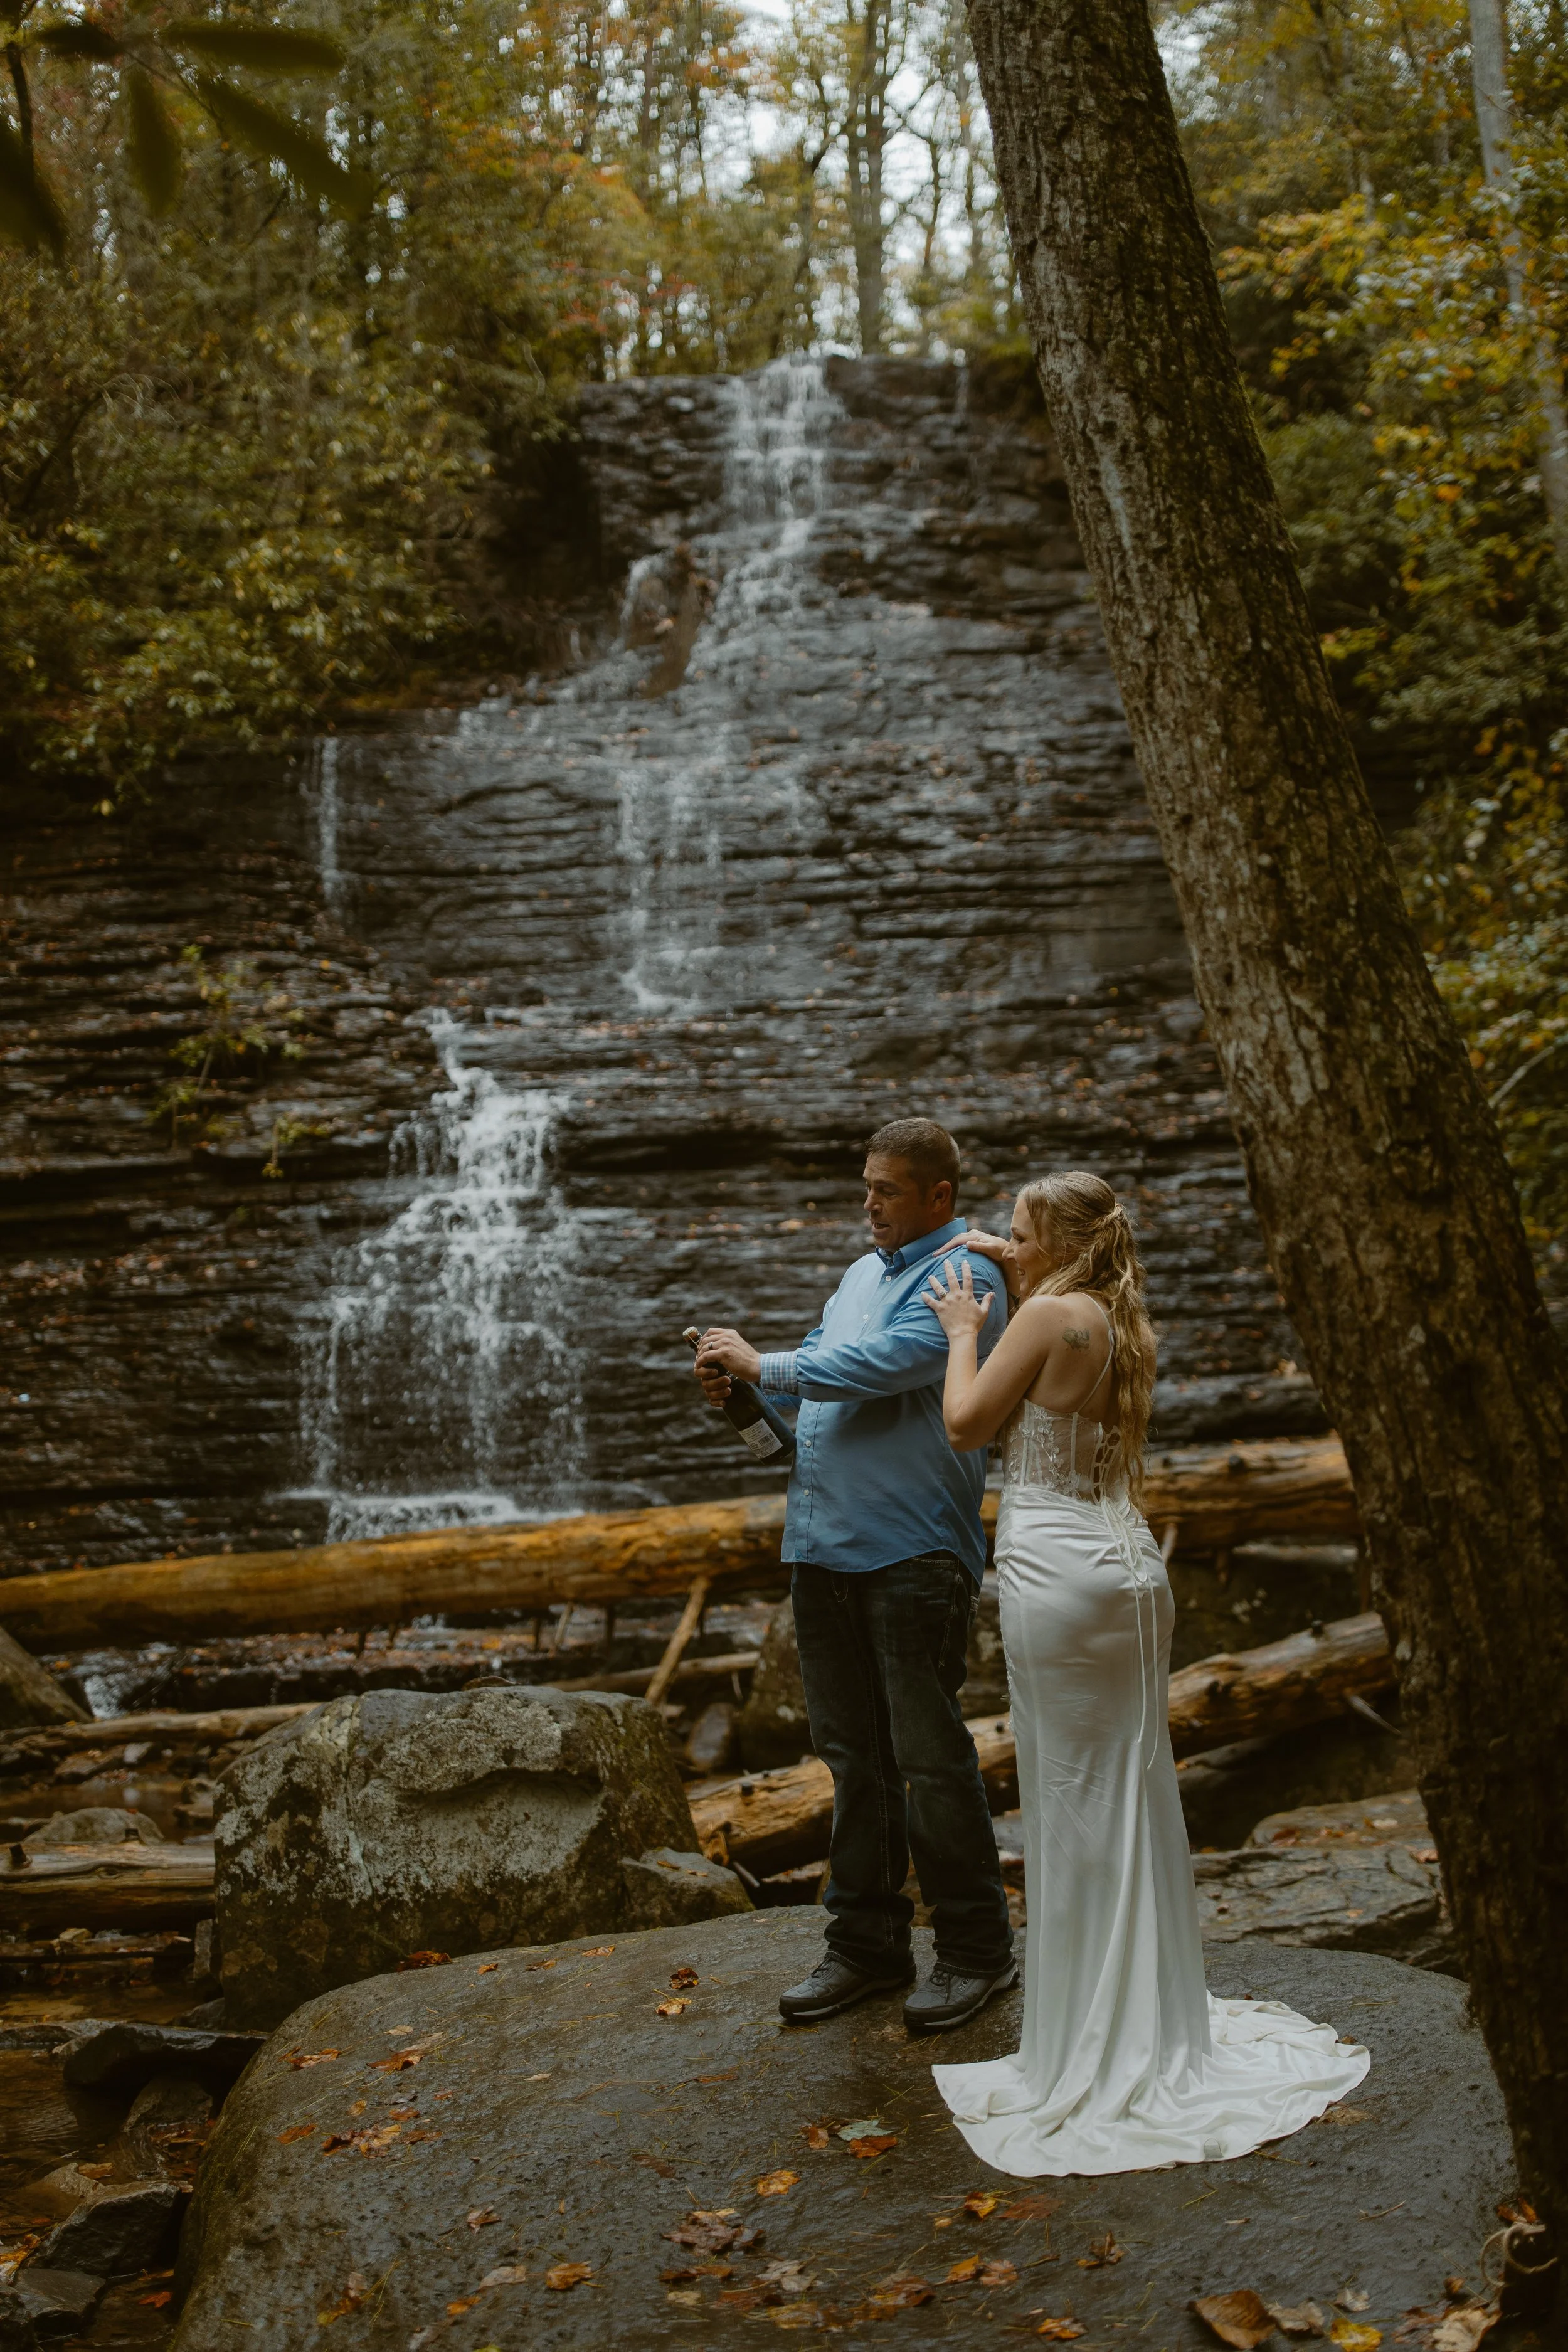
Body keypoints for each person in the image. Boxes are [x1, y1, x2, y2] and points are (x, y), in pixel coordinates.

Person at [916, 1169, 1370, 2175]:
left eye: (1019, 1232)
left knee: (1070, 1797)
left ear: (1060, 1243)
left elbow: (966, 1423)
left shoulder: (1044, 1318)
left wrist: (962, 1327)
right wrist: (1017, 1266)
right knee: (1132, 1785)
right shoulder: (1120, 1320)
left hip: (1056, 1571)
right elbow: (1058, 1360)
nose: (1007, 1244)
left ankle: (1090, 2043)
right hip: (1127, 1565)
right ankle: (1155, 2024)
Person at [694, 1118, 1019, 2033]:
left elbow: (884, 1365)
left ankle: (977, 1950)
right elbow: (809, 1393)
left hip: (912, 1551)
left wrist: (766, 1361)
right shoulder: (856, 1278)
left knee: (929, 1758)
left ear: (939, 1194)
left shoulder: (968, 1274)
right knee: (853, 1759)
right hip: (822, 1548)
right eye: (866, 1184)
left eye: (886, 1189)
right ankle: (868, 1945)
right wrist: (744, 1392)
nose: (867, 1202)